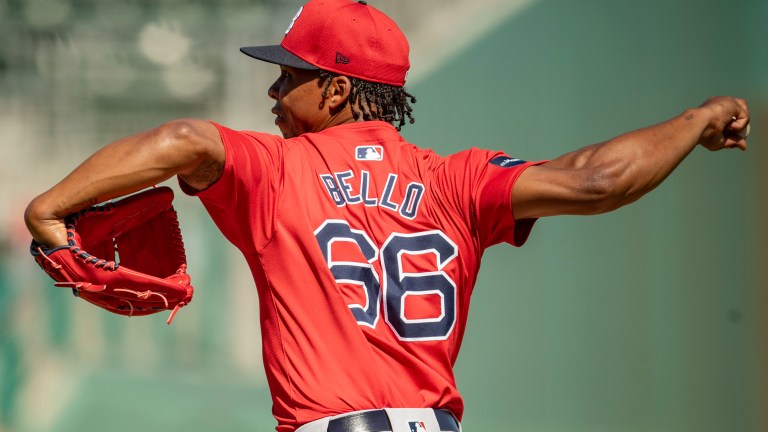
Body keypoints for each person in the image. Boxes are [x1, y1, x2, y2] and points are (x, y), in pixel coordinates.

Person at [24, 0, 750, 431]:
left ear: (337, 91)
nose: (275, 92)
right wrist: (695, 120)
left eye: (290, 76)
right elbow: (597, 180)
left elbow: (180, 141)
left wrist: (48, 209)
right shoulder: (457, 179)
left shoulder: (275, 172)